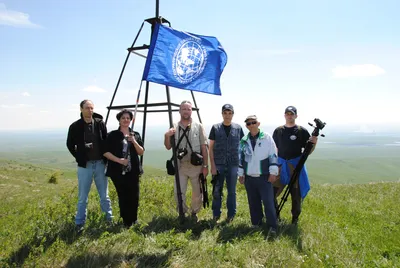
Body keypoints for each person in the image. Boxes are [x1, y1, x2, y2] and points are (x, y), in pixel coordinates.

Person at [66, 99, 113, 232]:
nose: (90, 110)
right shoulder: (75, 126)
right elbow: (70, 145)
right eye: (87, 108)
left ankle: (108, 220)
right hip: (84, 166)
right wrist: (79, 156)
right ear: (81, 109)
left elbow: (105, 141)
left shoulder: (99, 124)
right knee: (82, 197)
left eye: (92, 108)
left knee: (104, 195)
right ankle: (79, 223)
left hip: (100, 164)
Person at [272, 106, 318, 225]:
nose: (289, 115)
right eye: (287, 113)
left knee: (295, 195)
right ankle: (275, 216)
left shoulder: (301, 131)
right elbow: (273, 149)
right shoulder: (278, 131)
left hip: (295, 165)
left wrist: (314, 142)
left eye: (292, 114)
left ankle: (295, 219)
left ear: (296, 116)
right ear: (284, 115)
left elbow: (308, 149)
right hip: (280, 165)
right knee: (271, 193)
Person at [164, 100, 209, 221]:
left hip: (196, 166)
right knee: (179, 192)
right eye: (184, 109)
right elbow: (168, 146)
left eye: (189, 109)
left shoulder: (198, 126)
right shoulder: (174, 126)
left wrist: (205, 166)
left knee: (197, 192)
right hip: (180, 166)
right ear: (179, 111)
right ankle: (182, 213)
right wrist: (167, 135)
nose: (186, 111)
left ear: (192, 111)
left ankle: (194, 213)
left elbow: (204, 146)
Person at [103, 109, 144, 228]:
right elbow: (105, 152)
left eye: (128, 118)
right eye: (123, 118)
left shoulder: (135, 134)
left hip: (133, 170)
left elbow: (141, 152)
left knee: (134, 195)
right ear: (119, 120)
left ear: (131, 120)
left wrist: (134, 141)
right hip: (117, 171)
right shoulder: (112, 135)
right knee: (123, 195)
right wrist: (119, 160)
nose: (126, 120)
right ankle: (126, 221)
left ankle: (134, 220)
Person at [238, 115, 279, 234]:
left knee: (268, 202)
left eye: (253, 122)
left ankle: (272, 226)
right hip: (249, 177)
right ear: (246, 126)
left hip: (264, 176)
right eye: (249, 123)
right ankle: (256, 224)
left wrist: (273, 172)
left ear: (258, 123)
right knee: (253, 202)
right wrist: (241, 174)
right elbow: (240, 158)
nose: (251, 125)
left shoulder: (267, 138)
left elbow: (273, 155)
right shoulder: (244, 140)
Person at [209, 104, 244, 222]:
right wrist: (212, 166)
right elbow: (210, 148)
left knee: (232, 191)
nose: (227, 115)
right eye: (225, 113)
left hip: (233, 164)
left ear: (233, 114)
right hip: (218, 164)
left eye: (230, 113)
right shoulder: (215, 128)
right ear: (222, 114)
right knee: (217, 190)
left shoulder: (238, 129)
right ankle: (216, 214)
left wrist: (241, 166)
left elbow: (242, 148)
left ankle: (231, 215)